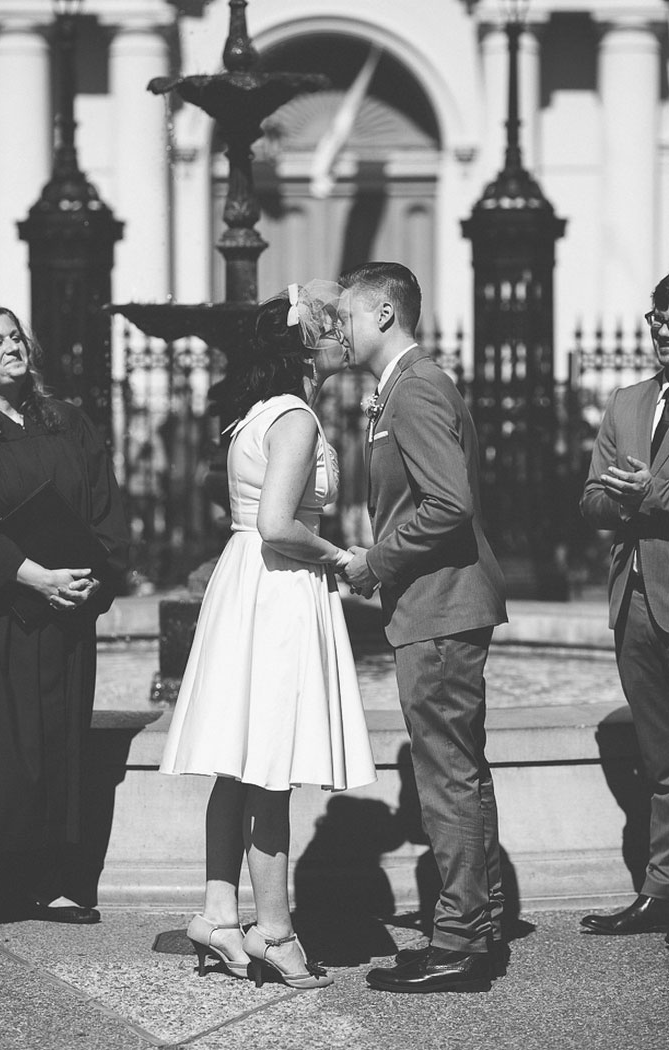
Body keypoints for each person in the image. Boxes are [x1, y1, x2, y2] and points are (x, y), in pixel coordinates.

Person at [159, 282, 376, 990]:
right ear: (306, 345)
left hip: (246, 579)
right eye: (330, 325)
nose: (344, 332)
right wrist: (344, 559)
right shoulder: (296, 419)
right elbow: (280, 523)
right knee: (271, 767)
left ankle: (220, 915)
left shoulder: (256, 413)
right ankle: (274, 931)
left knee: (238, 762)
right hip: (277, 584)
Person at [337, 262, 508, 993]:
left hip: (439, 608)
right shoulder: (402, 390)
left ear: (382, 314)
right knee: (460, 771)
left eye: (346, 318)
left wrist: (374, 562)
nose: (339, 333)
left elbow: (449, 505)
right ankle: (473, 927)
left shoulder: (415, 388)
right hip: (438, 607)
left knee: (446, 777)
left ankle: (461, 947)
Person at [0, 299, 128, 931]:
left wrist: (91, 576)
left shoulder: (69, 422)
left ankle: (48, 881)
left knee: (60, 748)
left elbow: (104, 509)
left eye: (15, 337)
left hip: (66, 614)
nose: (12, 347)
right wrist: (31, 575)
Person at [579, 273, 669, 937]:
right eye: (655, 320)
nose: (660, 332)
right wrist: (626, 496)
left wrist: (649, 494)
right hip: (636, 600)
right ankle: (660, 889)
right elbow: (590, 500)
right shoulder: (627, 403)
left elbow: (641, 495)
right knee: (660, 758)